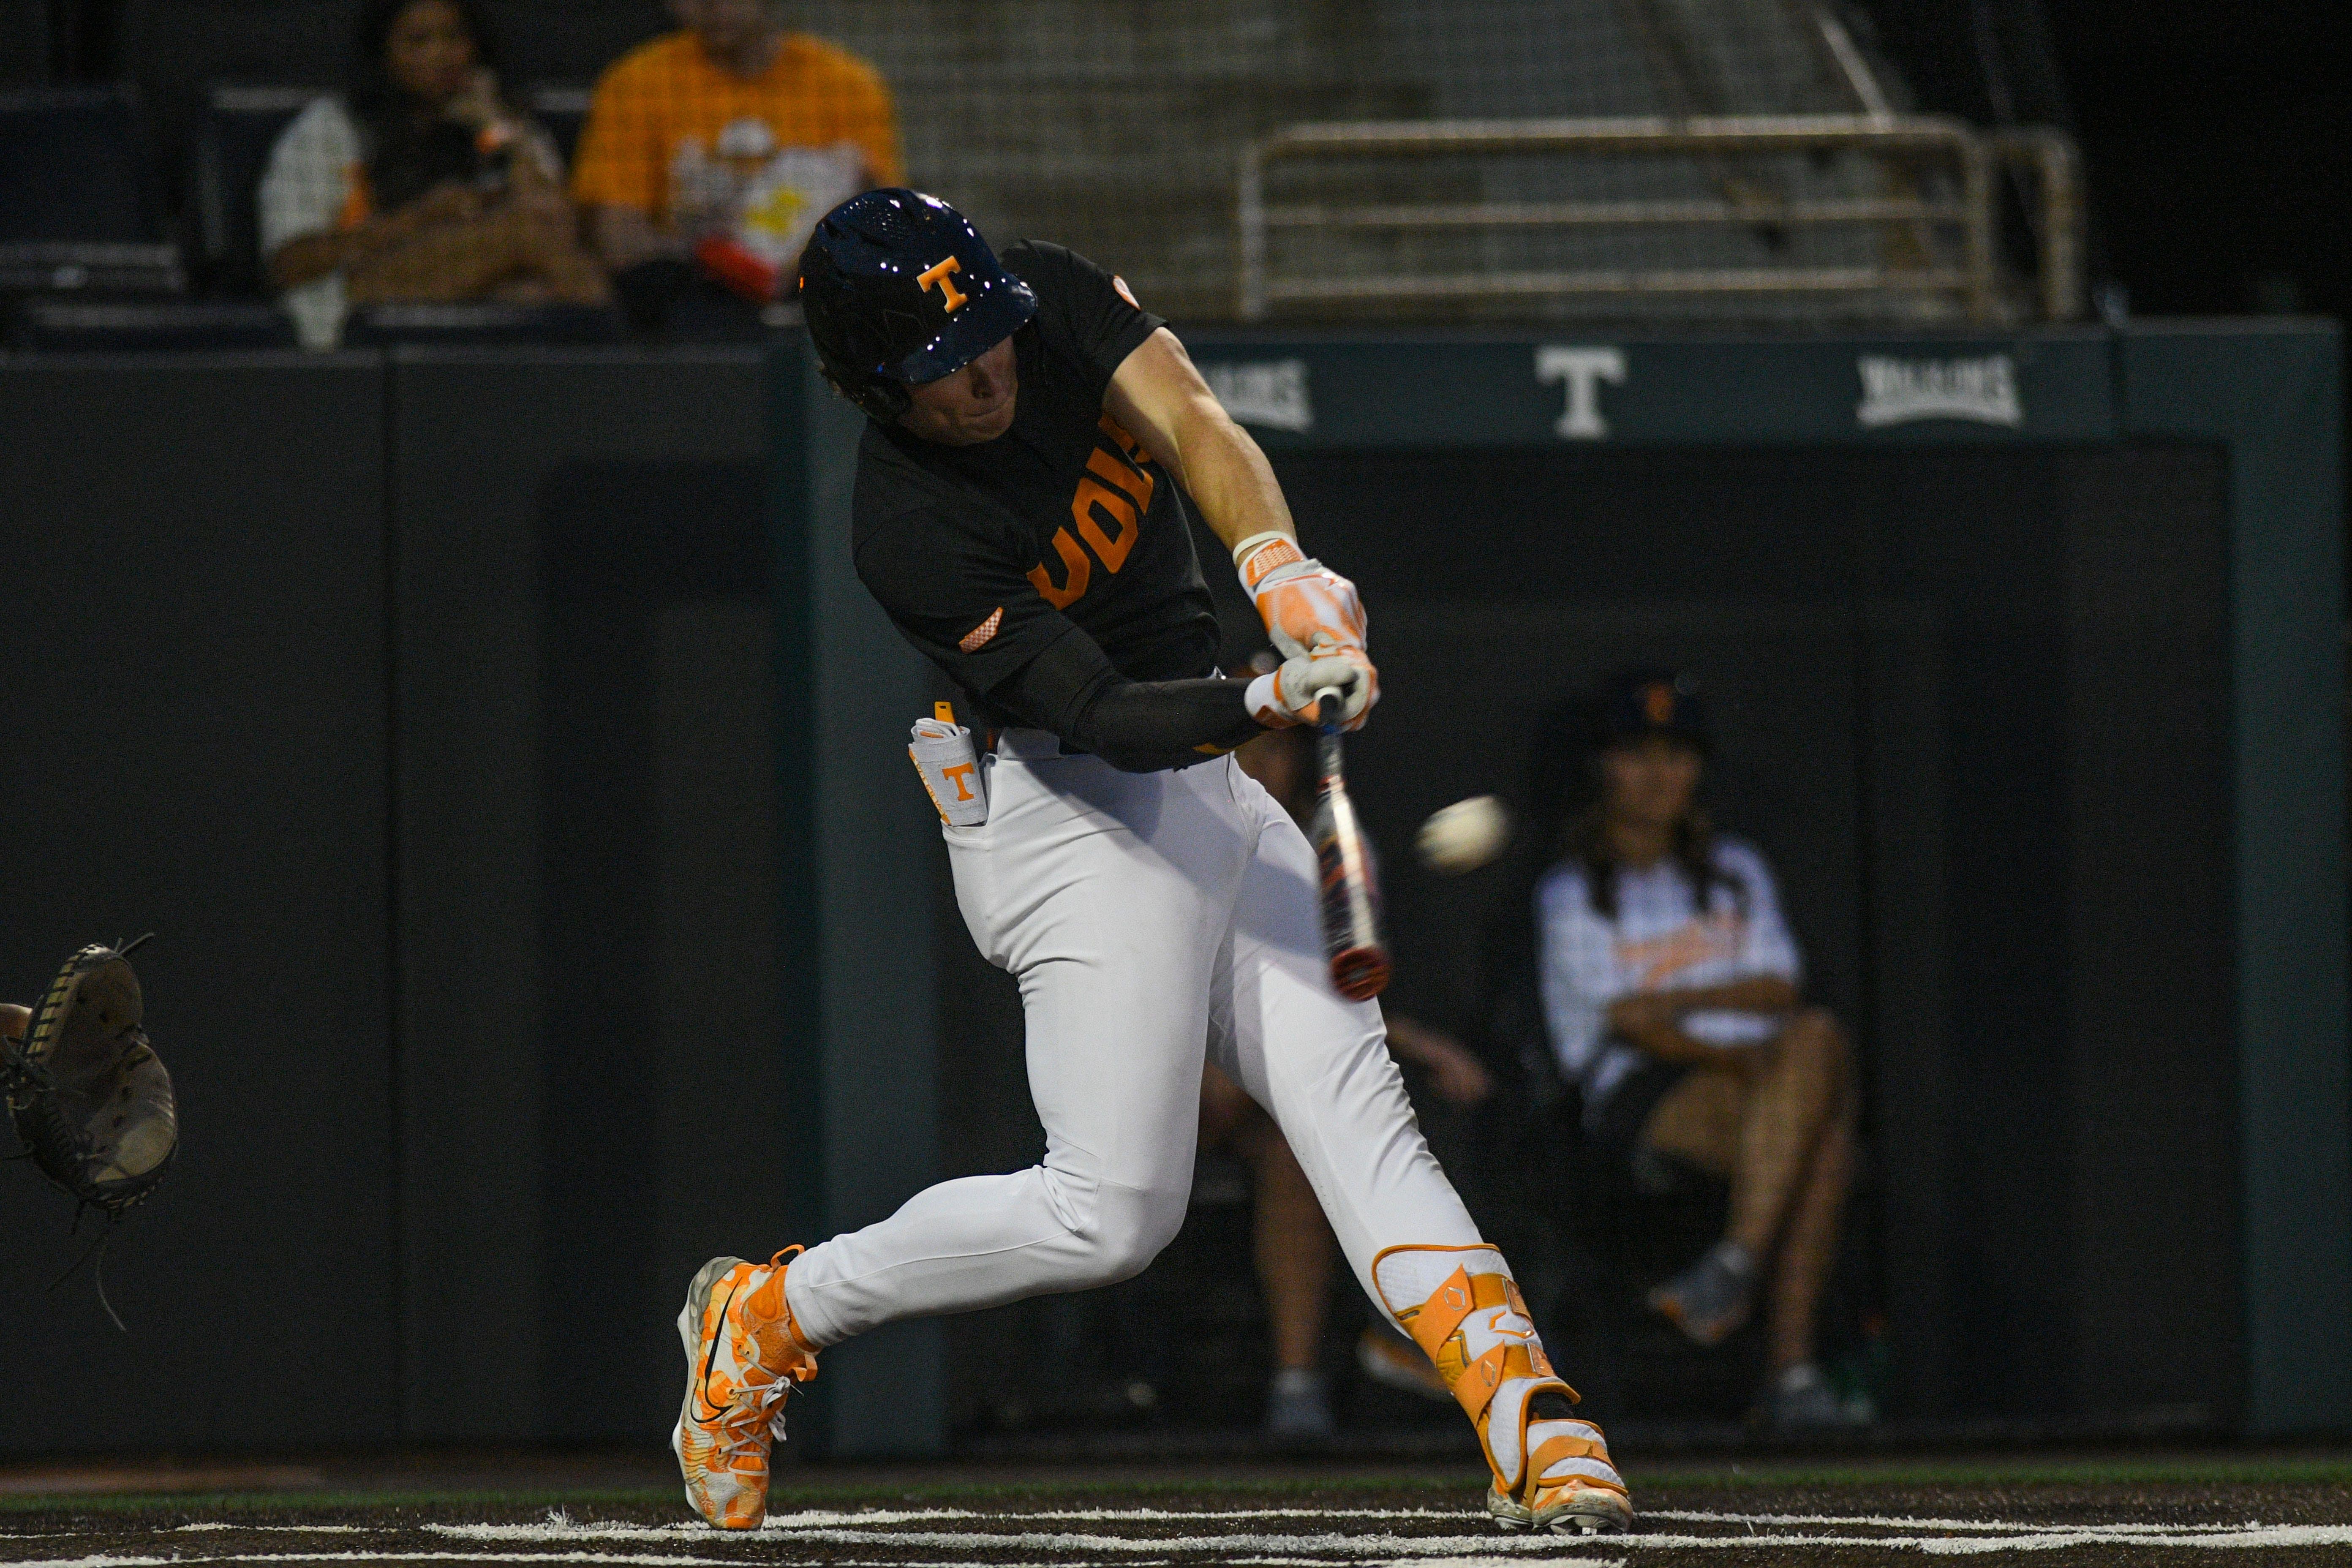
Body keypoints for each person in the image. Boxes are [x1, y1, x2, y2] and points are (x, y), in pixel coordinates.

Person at [664, 190, 1633, 1537]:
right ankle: (765, 1317)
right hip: (1065, 814)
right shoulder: (909, 530)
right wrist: (1263, 699)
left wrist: (1277, 565)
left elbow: (1191, 423)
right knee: (1109, 1212)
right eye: (942, 364)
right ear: (871, 385)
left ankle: (1530, 1414)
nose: (987, 370)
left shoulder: (1045, 298)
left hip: (1207, 778)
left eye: (987, 335)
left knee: (1357, 1108)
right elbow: (1100, 715)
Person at [1531, 670, 1860, 1431]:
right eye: (1637, 754)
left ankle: (1733, 1266)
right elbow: (1628, 1024)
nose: (1658, 775)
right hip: (1634, 1097)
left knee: (1816, 1049)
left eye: (1676, 756)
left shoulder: (1735, 871)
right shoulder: (1571, 888)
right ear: (1604, 767)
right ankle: (1792, 1369)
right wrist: (1739, 1051)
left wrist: (1679, 998)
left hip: (1758, 1073)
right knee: (1823, 1137)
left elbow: (1783, 989)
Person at [258, 0, 608, 349]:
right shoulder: (330, 128)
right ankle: (626, 357)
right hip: (355, 303)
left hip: (482, 303)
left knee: (536, 289)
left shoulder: (498, 119)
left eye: (454, 38)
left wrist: (496, 127)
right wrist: (421, 218)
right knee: (526, 233)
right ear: (383, 53)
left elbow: (557, 222)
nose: (441, 56)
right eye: (418, 42)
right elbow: (290, 264)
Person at [570, 0, 901, 300]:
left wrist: (786, 276)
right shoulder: (636, 83)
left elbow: (881, 225)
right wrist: (721, 264)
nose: (709, 6)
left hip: (815, 299)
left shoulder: (845, 85)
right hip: (688, 302)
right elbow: (619, 238)